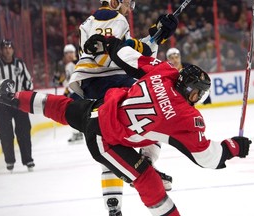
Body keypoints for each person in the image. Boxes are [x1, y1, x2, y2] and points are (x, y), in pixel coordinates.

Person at [0, 35, 251, 216]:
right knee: (148, 182)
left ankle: (10, 97)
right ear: (193, 92)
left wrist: (107, 41)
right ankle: (144, 171)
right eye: (198, 95)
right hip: (105, 139)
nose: (198, 100)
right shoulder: (185, 117)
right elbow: (208, 157)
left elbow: (125, 55)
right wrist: (235, 146)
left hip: (100, 108)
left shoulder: (165, 71)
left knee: (62, 107)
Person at [68, 1, 177, 214]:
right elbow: (116, 54)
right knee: (154, 112)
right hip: (112, 82)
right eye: (127, 1)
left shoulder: (90, 21)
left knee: (110, 145)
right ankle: (145, 164)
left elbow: (122, 49)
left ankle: (113, 208)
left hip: (93, 87)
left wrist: (154, 38)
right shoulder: (114, 17)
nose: (130, 6)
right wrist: (151, 42)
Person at [0, 39, 35, 172]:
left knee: (24, 131)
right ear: (1, 50)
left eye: (10, 47)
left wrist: (29, 96)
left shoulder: (20, 63)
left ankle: (28, 159)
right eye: (5, 48)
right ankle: (9, 161)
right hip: (2, 104)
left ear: (13, 49)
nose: (7, 50)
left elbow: (28, 81)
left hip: (19, 101)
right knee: (6, 133)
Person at [54, 44, 84, 143]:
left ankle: (79, 132)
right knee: (73, 114)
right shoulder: (67, 66)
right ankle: (77, 132)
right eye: (67, 53)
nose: (69, 55)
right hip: (73, 93)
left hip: (80, 92)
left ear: (74, 53)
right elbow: (67, 81)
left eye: (71, 52)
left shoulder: (79, 63)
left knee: (76, 114)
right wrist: (58, 80)